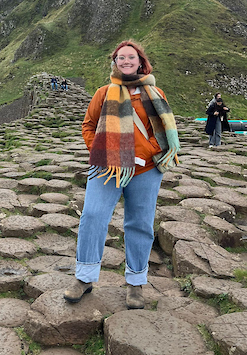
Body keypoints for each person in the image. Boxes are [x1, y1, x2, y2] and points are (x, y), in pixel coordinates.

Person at [64, 40, 180, 309]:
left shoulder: (155, 93)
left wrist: (147, 152)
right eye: (120, 58)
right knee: (92, 216)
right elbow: (89, 126)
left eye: (131, 57)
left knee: (139, 224)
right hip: (107, 167)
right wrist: (103, 152)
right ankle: (84, 277)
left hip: (147, 169)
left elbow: (162, 132)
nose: (126, 61)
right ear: (114, 63)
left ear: (141, 62)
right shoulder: (104, 93)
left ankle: (136, 284)